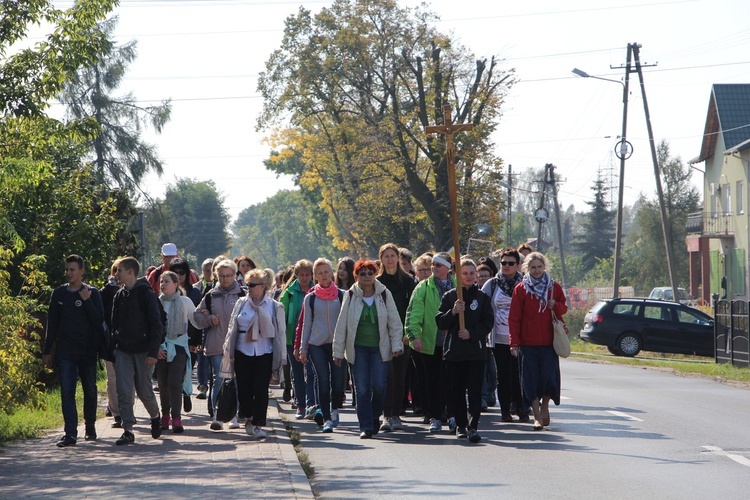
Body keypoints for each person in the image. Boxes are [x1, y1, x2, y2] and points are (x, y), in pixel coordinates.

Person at [333, 260, 403, 439]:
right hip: (358, 349)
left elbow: (395, 323)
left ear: (375, 275)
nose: (366, 277)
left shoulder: (384, 294)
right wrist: (338, 352)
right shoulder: (350, 295)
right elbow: (341, 325)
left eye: (370, 273)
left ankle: (373, 417)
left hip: (380, 348)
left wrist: (396, 345)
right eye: (362, 274)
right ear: (356, 276)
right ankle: (365, 425)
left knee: (379, 386)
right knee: (362, 388)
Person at [43, 254, 105, 447]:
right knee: (67, 392)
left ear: (81, 271)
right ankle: (70, 433)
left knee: (90, 389)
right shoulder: (59, 294)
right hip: (65, 352)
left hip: (87, 351)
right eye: (67, 270)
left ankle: (91, 427)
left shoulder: (92, 293)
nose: (69, 273)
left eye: (72, 270)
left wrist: (86, 301)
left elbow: (99, 321)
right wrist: (47, 350)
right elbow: (51, 324)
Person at [219, 268, 286, 439]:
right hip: (243, 351)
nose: (249, 287)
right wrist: (228, 351)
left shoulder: (273, 306)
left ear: (263, 286)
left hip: (265, 352)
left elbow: (280, 334)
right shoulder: (241, 303)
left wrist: (282, 357)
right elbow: (231, 329)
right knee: (244, 390)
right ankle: (248, 417)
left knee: (261, 390)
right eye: (247, 284)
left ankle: (258, 424)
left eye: (253, 285)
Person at [508, 251, 567, 431]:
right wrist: (514, 342)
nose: (536, 271)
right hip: (528, 344)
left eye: (539, 267)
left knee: (549, 378)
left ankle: (545, 407)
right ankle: (536, 415)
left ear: (544, 267)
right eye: (532, 267)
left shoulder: (553, 287)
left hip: (550, 343)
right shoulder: (521, 289)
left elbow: (563, 308)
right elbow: (514, 318)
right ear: (526, 268)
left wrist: (554, 305)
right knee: (530, 380)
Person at [437, 259, 494, 443]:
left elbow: (488, 322)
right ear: (457, 276)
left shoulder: (482, 298)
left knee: (475, 391)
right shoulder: (449, 296)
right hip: (454, 353)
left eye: (471, 273)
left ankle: (473, 426)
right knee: (457, 391)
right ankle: (461, 425)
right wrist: (453, 312)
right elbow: (440, 322)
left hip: (476, 352)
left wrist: (471, 333)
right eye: (465, 273)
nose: (468, 276)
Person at [110, 257, 164, 445]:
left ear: (130, 271)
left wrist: (152, 351)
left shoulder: (146, 294)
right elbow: (113, 324)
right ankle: (128, 430)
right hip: (123, 351)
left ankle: (155, 417)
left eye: (119, 270)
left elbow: (157, 324)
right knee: (124, 391)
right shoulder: (119, 295)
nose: (116, 275)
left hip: (143, 351)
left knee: (144, 391)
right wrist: (113, 347)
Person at [193, 259, 245, 430]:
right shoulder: (210, 296)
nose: (225, 279)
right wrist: (209, 319)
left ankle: (235, 416)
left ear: (235, 275)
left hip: (238, 345)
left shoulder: (242, 295)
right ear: (216, 276)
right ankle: (217, 415)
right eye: (221, 276)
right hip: (216, 344)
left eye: (229, 275)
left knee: (236, 380)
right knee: (219, 380)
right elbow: (196, 316)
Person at [405, 252, 455, 433]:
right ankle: (434, 415)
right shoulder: (423, 288)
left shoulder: (458, 287)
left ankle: (451, 414)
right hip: (430, 342)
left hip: (453, 343)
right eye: (433, 264)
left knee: (450, 381)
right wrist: (415, 335)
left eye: (438, 265)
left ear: (448, 268)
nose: (434, 268)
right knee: (431, 381)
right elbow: (414, 313)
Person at [483, 247, 529, 422]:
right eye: (503, 263)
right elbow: (483, 307)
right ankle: (505, 411)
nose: (507, 266)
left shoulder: (525, 284)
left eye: (511, 263)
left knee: (520, 375)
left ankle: (520, 407)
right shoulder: (492, 284)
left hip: (520, 338)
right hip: (499, 338)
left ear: (518, 265)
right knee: (503, 376)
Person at [299, 258, 344, 433]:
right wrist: (303, 348)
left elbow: (346, 322)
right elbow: (306, 324)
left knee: (338, 382)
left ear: (331, 273)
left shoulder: (342, 295)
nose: (324, 275)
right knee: (323, 380)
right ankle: (326, 418)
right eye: (320, 273)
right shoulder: (310, 298)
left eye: (326, 272)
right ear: (315, 276)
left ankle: (334, 409)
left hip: (337, 344)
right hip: (316, 344)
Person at [376, 243, 416, 432]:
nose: (390, 259)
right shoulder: (377, 282)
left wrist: (408, 333)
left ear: (398, 258)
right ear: (381, 259)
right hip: (383, 334)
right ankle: (386, 413)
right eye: (387, 256)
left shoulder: (408, 281)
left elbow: (412, 309)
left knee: (400, 375)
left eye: (393, 256)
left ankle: (396, 414)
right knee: (387, 375)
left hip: (402, 334)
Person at [156, 271, 196, 433]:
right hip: (161, 347)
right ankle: (164, 416)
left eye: (166, 281)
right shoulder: (157, 302)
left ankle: (176, 418)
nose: (162, 284)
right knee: (163, 383)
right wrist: (156, 347)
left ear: (175, 284)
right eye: (161, 281)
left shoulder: (184, 302)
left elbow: (197, 320)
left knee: (174, 382)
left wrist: (209, 318)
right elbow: (152, 325)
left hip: (179, 346)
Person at [279, 260, 315, 419]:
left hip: (313, 339)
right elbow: (281, 314)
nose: (305, 278)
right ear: (297, 275)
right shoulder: (289, 292)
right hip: (292, 339)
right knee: (298, 373)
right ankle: (300, 405)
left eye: (308, 275)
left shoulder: (317, 290)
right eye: (302, 275)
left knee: (312, 373)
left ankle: (311, 404)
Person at [169, 257, 202, 411]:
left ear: (187, 273)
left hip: (190, 339)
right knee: (173, 373)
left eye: (182, 272)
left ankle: (186, 393)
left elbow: (197, 318)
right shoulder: (166, 292)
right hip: (171, 340)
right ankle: (175, 401)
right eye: (175, 272)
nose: (179, 275)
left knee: (186, 369)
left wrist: (195, 341)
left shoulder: (194, 293)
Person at [100, 260, 124, 428]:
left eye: (121, 270)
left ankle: (126, 411)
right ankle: (117, 414)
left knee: (127, 378)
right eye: (116, 270)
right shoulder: (104, 292)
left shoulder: (132, 290)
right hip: (109, 341)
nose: (118, 274)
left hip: (127, 341)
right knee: (113, 378)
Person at [193, 258, 215, 400]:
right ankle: (202, 386)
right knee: (201, 357)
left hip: (215, 327)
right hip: (201, 327)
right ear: (202, 272)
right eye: (207, 271)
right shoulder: (197, 288)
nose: (210, 274)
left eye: (212, 271)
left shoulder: (219, 286)